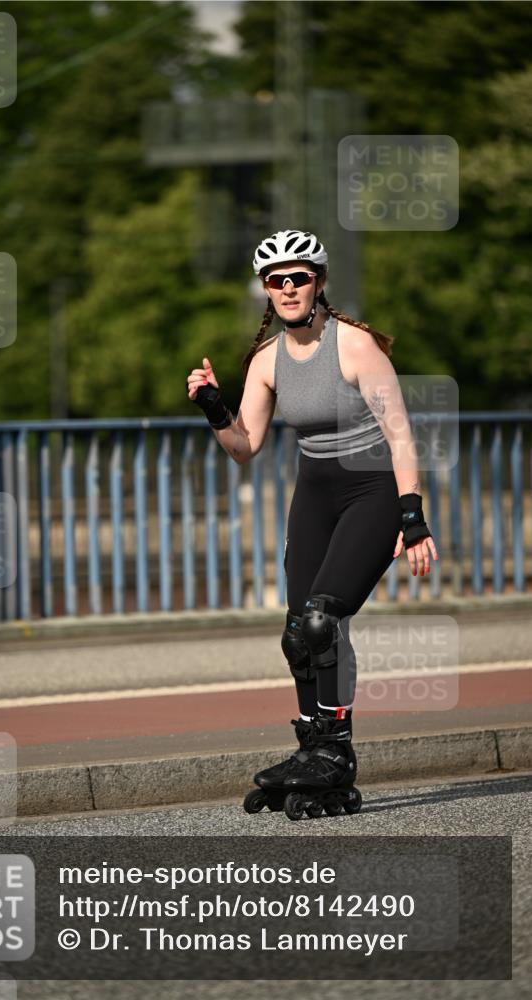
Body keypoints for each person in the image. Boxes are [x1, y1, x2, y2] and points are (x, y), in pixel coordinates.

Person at [186, 229, 438, 820]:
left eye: (299, 277)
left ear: (319, 282)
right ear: (266, 292)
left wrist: (413, 514)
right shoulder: (267, 360)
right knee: (299, 631)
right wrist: (214, 407)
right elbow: (244, 446)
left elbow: (400, 432)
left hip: (373, 490)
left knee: (326, 619)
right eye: (277, 280)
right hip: (317, 494)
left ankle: (336, 754)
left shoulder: (354, 347)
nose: (289, 288)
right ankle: (312, 751)